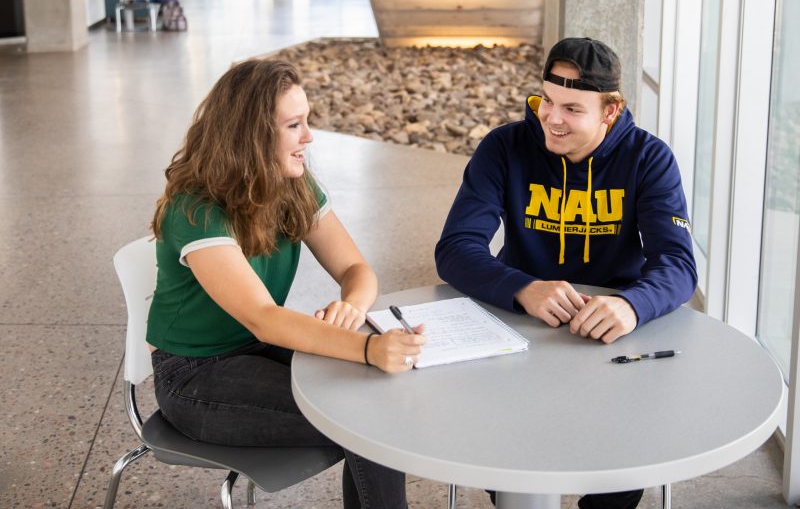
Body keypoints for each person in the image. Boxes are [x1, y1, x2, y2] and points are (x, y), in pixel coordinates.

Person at [147, 59, 426, 509]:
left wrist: (352, 307)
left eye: (307, 121)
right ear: (251, 136)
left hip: (255, 353)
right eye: (294, 125)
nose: (309, 137)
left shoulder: (291, 185)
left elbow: (357, 270)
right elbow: (263, 318)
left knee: (378, 404)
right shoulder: (195, 210)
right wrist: (368, 349)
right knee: (370, 419)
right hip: (195, 377)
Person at [435, 37, 697, 509]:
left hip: (613, 333)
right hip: (518, 326)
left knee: (622, 467)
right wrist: (522, 287)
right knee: (511, 470)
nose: (552, 119)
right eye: (546, 102)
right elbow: (455, 248)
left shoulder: (648, 159)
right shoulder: (505, 147)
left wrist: (632, 304)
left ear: (611, 110)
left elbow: (677, 264)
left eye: (573, 108)